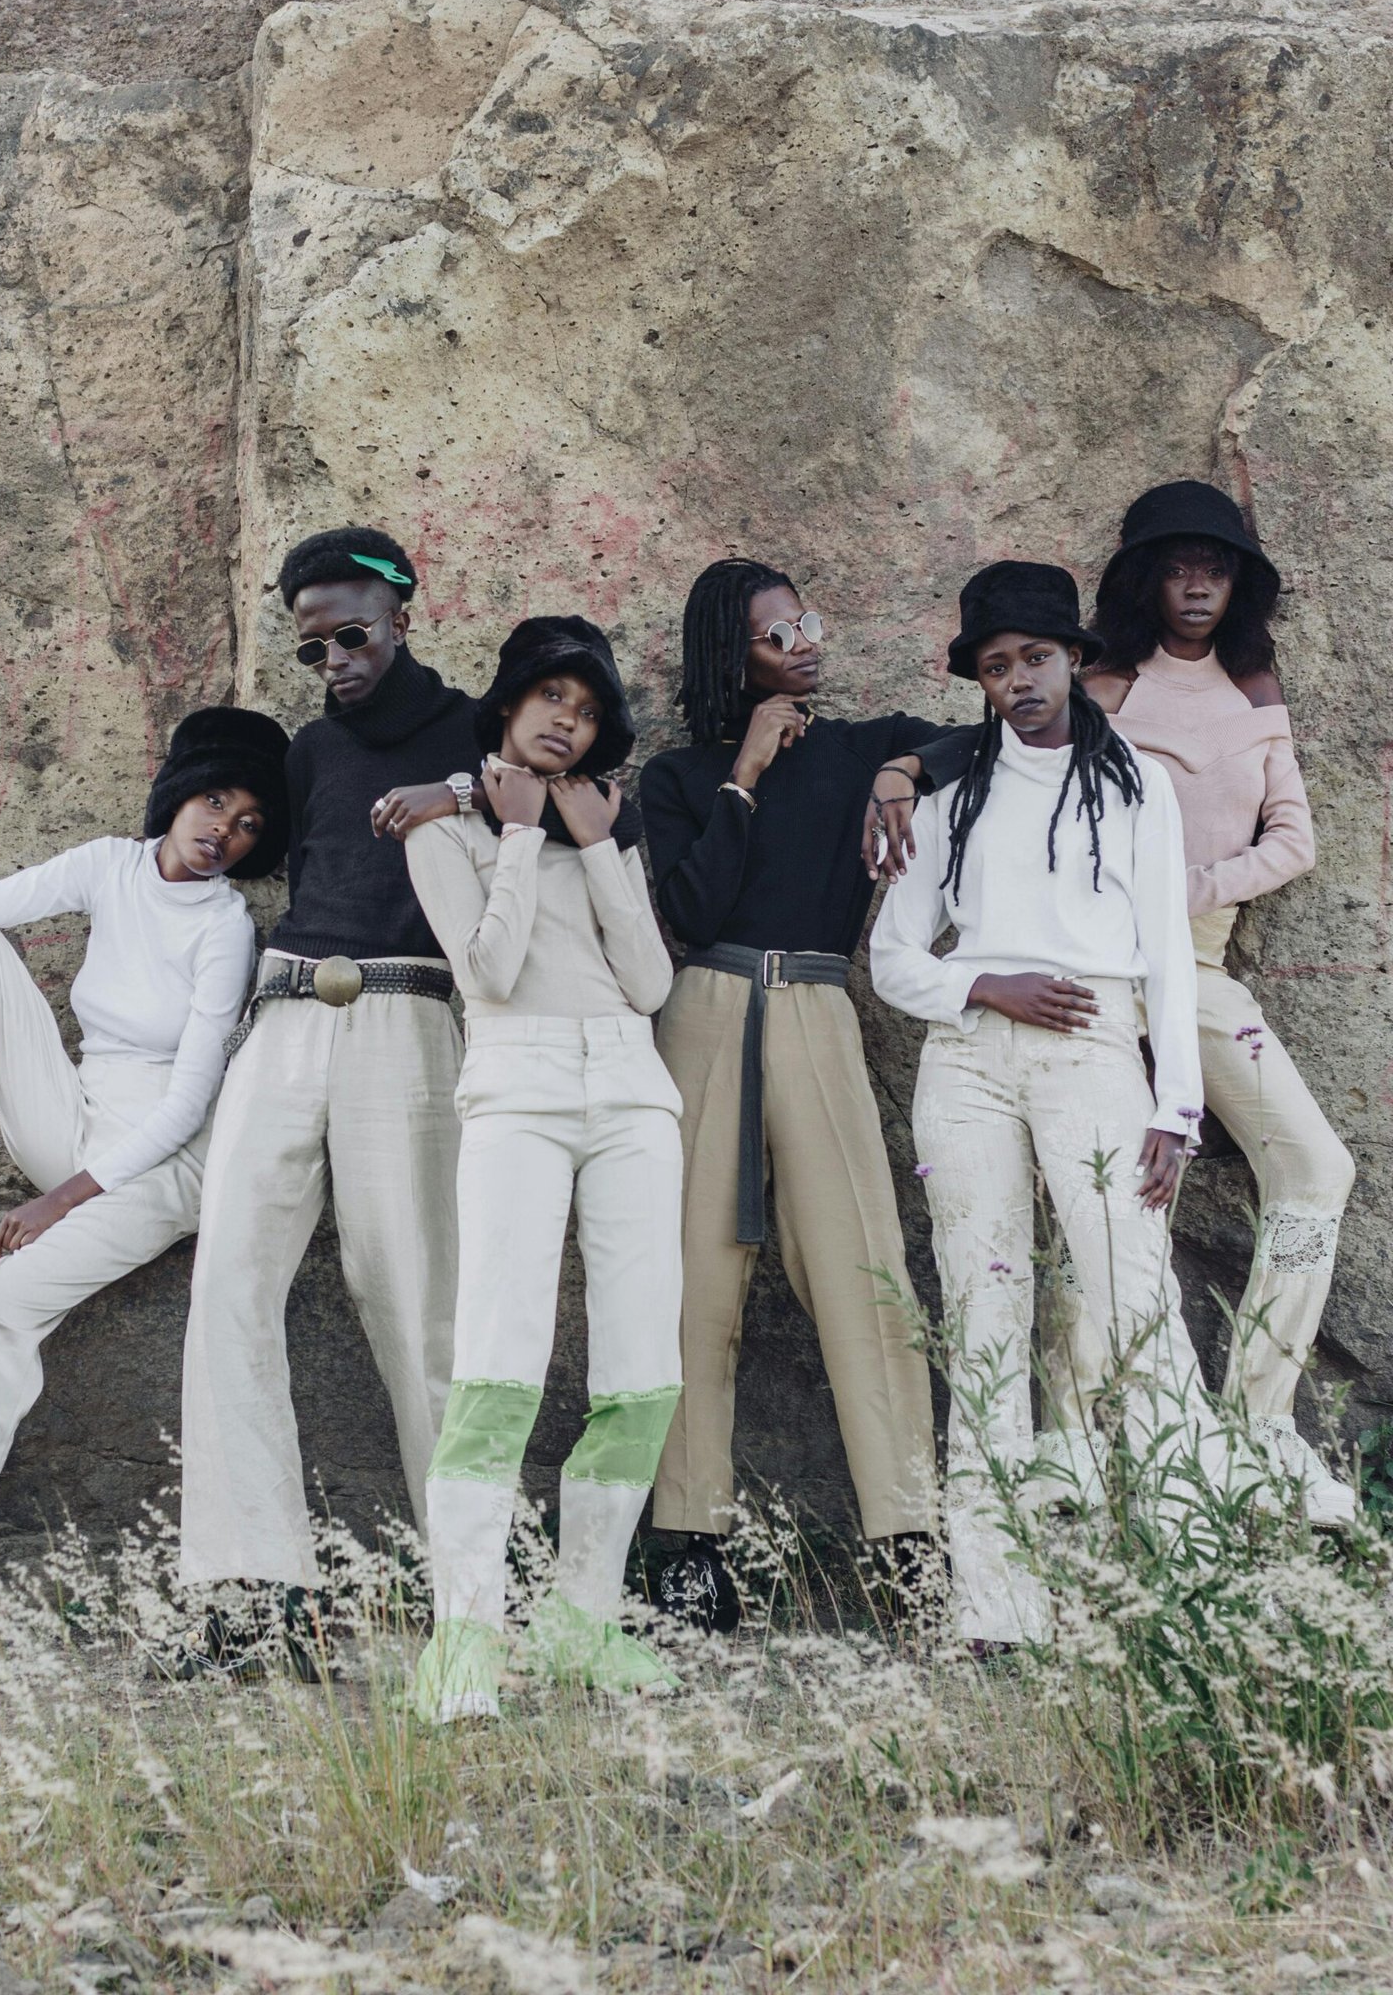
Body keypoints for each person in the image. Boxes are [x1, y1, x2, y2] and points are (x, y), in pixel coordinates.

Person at [886, 485, 1356, 1526]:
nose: (1196, 583)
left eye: (1217, 566)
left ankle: (1258, 1423)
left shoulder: (1251, 686)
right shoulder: (1095, 679)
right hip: (1086, 982)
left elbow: (1296, 836)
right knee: (1103, 1213)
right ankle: (1076, 1436)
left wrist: (1177, 891)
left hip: (1190, 968)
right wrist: (899, 767)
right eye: (1176, 564)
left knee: (1315, 1165)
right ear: (1141, 578)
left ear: (1239, 583)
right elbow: (998, 749)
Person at [870, 560, 1250, 1647]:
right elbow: (894, 955)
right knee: (982, 1310)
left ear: (1074, 659)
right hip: (970, 1057)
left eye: (1035, 657)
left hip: (1092, 1044)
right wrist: (982, 981)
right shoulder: (948, 790)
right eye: (995, 666)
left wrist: (1175, 1106)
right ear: (977, 680)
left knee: (1135, 1301)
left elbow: (1169, 960)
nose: (1018, 680)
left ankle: (1197, 1583)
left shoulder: (1135, 784)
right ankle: (995, 1609)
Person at [0, 707, 289, 1623]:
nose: (223, 832)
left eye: (248, 822)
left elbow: (187, 1107)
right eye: (213, 801)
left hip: (161, 1163)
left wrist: (60, 1201)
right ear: (177, 797)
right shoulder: (108, 866)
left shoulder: (225, 929)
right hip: (79, 1114)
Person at [638, 557, 945, 1630]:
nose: (805, 640)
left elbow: (979, 735)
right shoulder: (676, 777)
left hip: (817, 1007)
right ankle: (687, 1543)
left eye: (808, 620)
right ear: (733, 656)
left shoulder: (861, 745)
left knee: (865, 1272)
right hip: (705, 1010)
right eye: (777, 634)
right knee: (689, 1288)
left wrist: (903, 766)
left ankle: (908, 1536)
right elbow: (688, 906)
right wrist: (745, 774)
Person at [177, 527, 480, 1598]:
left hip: (407, 1010)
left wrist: (466, 792)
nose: (335, 662)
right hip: (285, 1009)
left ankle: (470, 1587)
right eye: (313, 648)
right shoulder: (309, 752)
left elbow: (572, 812)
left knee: (412, 1296)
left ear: (404, 608)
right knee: (229, 1282)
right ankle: (249, 1586)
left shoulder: (481, 729)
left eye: (351, 635)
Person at [404, 616, 682, 1722]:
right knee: (498, 1358)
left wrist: (593, 844)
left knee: (638, 1363)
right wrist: (515, 833)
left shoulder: (606, 825)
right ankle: (463, 1637)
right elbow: (492, 971)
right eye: (548, 698)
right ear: (507, 708)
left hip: (630, 1090)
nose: (566, 717)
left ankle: (581, 1621)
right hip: (515, 1089)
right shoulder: (444, 829)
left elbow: (653, 981)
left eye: (584, 705)